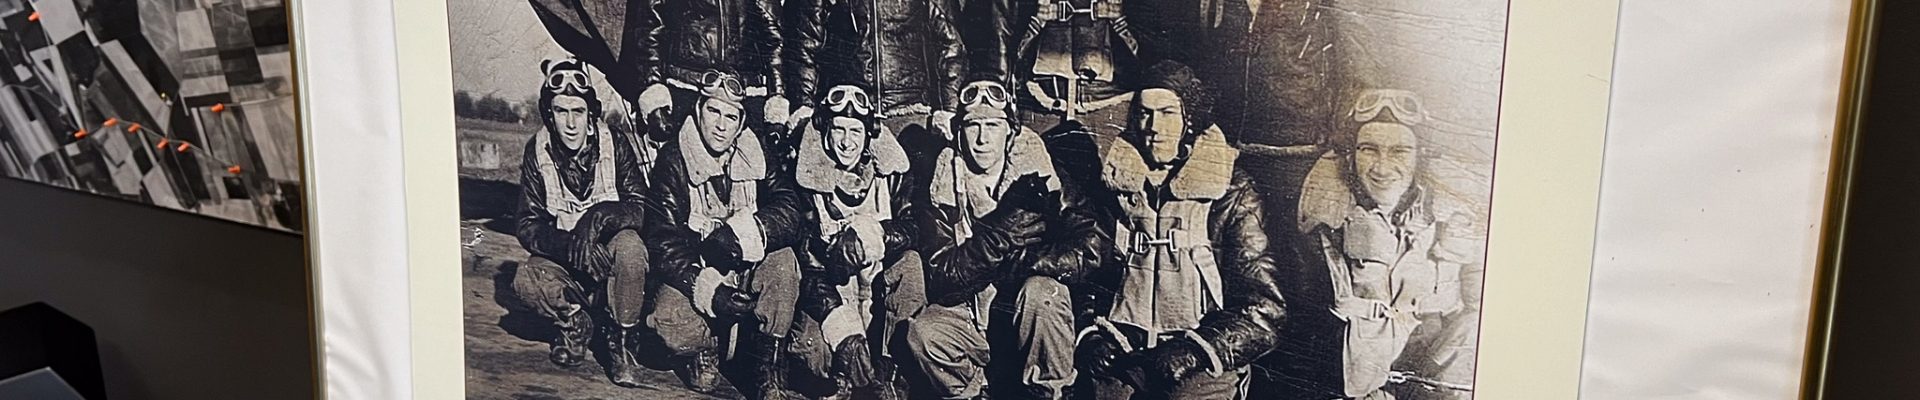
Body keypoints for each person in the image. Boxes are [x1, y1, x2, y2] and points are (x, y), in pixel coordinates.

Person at [1065, 61, 1287, 400]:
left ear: (1189, 119)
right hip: (1124, 349)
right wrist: (1091, 335)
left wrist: (1198, 351)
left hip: (1200, 353)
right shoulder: (1116, 186)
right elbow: (1088, 273)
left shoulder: (1231, 191)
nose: (1154, 127)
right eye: (1144, 114)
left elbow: (1265, 309)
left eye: (1167, 113)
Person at [903, 79, 1095, 400]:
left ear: (1010, 131)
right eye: (973, 126)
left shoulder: (1043, 174)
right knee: (924, 332)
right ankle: (975, 392)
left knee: (1042, 294)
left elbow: (1092, 245)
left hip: (1027, 318)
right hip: (972, 316)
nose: (982, 139)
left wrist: (1031, 263)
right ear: (958, 132)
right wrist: (998, 235)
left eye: (993, 125)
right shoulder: (943, 183)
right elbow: (942, 277)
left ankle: (1051, 391)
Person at [1294, 89, 1477, 400]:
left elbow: (1482, 310)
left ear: (1421, 156)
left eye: (1400, 151)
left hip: (1435, 373)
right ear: (1351, 155)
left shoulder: (1455, 213)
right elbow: (1306, 321)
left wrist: (1433, 375)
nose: (1382, 167)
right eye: (1369, 149)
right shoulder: (1324, 218)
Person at [638, 70, 809, 399]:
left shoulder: (756, 152)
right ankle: (707, 349)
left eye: (731, 117)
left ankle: (767, 365)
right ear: (698, 110)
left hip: (747, 268)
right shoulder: (674, 158)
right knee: (667, 321)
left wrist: (743, 234)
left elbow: (790, 209)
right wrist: (709, 290)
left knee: (783, 262)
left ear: (741, 123)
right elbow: (662, 242)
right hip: (699, 272)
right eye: (713, 111)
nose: (720, 125)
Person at [508, 58, 658, 386]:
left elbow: (641, 207)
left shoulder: (615, 142)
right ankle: (576, 325)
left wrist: (598, 217)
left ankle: (621, 343)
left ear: (591, 114)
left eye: (578, 111)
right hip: (571, 261)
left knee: (631, 247)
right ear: (549, 115)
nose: (571, 123)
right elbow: (528, 223)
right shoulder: (537, 151)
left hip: (610, 263)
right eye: (561, 112)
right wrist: (572, 245)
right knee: (525, 279)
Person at [779, 84, 926, 400]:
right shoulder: (804, 180)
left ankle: (889, 374)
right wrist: (841, 328)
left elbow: (913, 228)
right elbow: (807, 265)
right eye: (839, 130)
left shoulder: (892, 173)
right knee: (814, 353)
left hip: (877, 291)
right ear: (825, 130)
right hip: (831, 295)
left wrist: (872, 237)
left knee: (911, 262)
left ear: (869, 133)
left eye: (856, 131)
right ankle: (838, 380)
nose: (847, 142)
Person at [636, 0, 796, 161]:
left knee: (753, 168)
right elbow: (649, 25)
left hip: (743, 94)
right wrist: (653, 88)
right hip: (685, 90)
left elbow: (774, 38)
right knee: (679, 167)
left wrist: (776, 102)